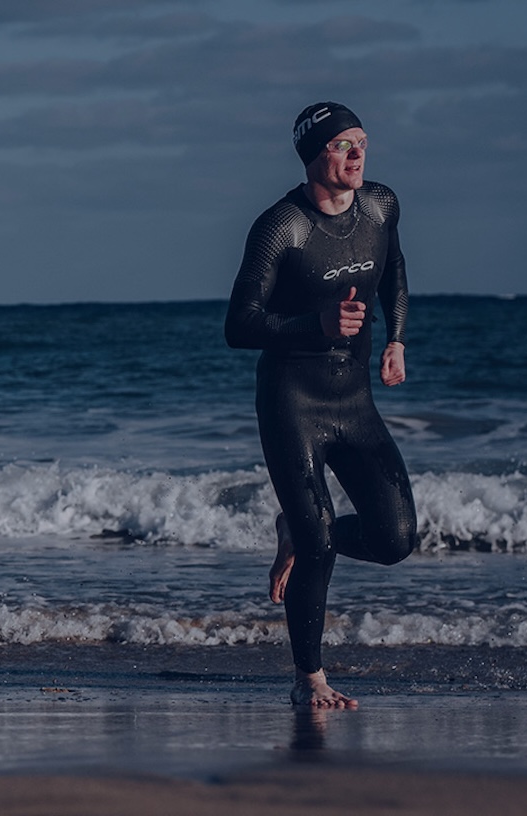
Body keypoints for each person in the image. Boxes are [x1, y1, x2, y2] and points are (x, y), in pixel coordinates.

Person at [225, 102, 417, 709]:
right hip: (293, 402)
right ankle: (309, 680)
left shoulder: (381, 205)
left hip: (353, 398)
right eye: (342, 145)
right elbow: (239, 325)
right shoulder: (282, 226)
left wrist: (395, 338)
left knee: (395, 538)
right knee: (319, 545)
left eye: (362, 141)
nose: (358, 154)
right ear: (315, 156)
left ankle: (298, 531)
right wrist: (318, 324)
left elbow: (395, 268)